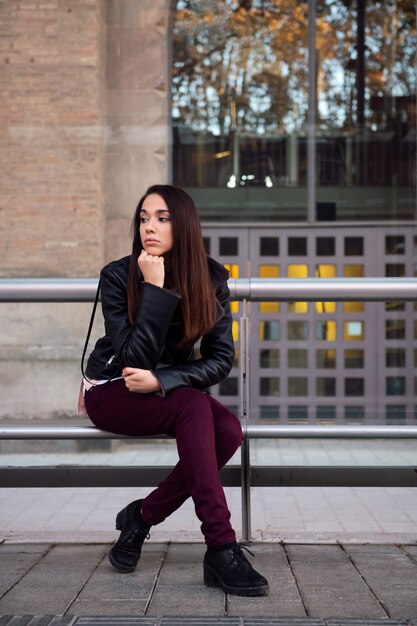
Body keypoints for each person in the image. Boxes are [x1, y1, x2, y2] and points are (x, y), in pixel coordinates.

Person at [81, 184, 269, 597]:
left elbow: (221, 359)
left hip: (166, 389)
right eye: (144, 218)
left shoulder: (212, 277)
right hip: (113, 388)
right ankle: (221, 545)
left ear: (182, 225)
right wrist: (155, 289)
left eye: (162, 218)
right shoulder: (117, 275)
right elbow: (133, 358)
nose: (150, 226)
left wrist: (163, 381)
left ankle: (142, 518)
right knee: (193, 408)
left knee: (228, 432)